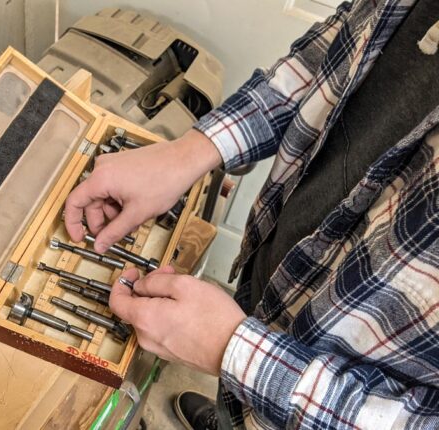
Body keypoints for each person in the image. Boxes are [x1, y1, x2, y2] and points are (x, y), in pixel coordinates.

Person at [64, 0, 439, 428]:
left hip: (314, 400)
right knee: (237, 408)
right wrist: (190, 152)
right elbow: (332, 53)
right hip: (275, 286)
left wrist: (235, 351)